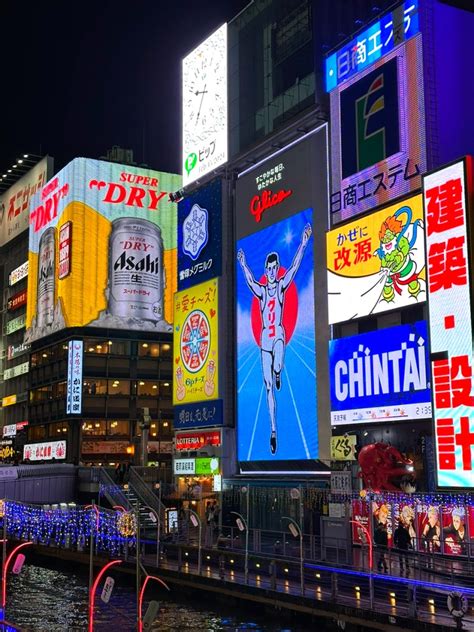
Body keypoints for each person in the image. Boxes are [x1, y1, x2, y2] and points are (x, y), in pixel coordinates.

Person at [237, 223, 312, 454]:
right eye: (268, 268)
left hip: (278, 334)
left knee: (278, 363)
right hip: (264, 341)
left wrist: (304, 241)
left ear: (277, 268)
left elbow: (296, 266)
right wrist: (242, 263)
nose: (271, 272)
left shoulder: (280, 287)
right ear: (265, 269)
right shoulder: (261, 291)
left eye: (274, 268)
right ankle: (273, 430)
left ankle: (279, 370)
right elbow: (249, 281)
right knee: (268, 388)